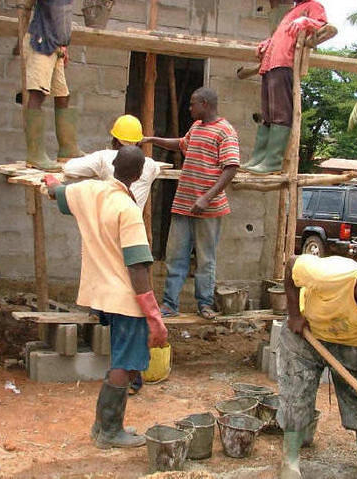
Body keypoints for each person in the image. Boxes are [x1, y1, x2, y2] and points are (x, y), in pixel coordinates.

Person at [44, 145, 168, 448]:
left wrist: (49, 181)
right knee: (124, 365)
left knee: (121, 360)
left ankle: (104, 428)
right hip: (126, 299)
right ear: (139, 175)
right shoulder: (129, 210)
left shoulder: (89, 191)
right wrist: (154, 316)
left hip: (101, 295)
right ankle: (108, 430)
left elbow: (57, 193)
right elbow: (138, 268)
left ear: (113, 166)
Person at [279, 255, 357, 479]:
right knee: (296, 393)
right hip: (307, 335)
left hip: (354, 343)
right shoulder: (328, 275)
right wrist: (294, 314)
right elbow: (291, 265)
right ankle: (290, 460)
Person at [140, 87, 240, 320]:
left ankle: (204, 304)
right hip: (184, 203)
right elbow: (182, 144)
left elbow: (231, 167)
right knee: (175, 256)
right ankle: (170, 305)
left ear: (205, 104)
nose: (190, 108)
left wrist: (206, 197)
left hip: (209, 208)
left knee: (206, 259)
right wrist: (153, 140)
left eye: (193, 104)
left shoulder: (225, 131)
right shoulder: (196, 128)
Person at [242, 0, 327, 175]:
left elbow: (322, 25)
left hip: (283, 63)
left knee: (280, 114)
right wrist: (268, 43)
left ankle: (272, 161)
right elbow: (282, 35)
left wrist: (306, 21)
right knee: (267, 115)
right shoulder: (292, 11)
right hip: (270, 65)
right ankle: (258, 159)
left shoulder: (313, 6)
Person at [24, 0, 84, 171]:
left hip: (56, 45)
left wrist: (64, 46)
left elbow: (61, 20)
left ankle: (67, 148)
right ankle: (35, 155)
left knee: (63, 95)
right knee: (38, 94)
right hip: (41, 43)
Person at [63, 114, 161, 210]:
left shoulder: (104, 157)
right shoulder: (150, 165)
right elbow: (156, 168)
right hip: (133, 223)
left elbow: (69, 169)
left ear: (114, 140)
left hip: (108, 220)